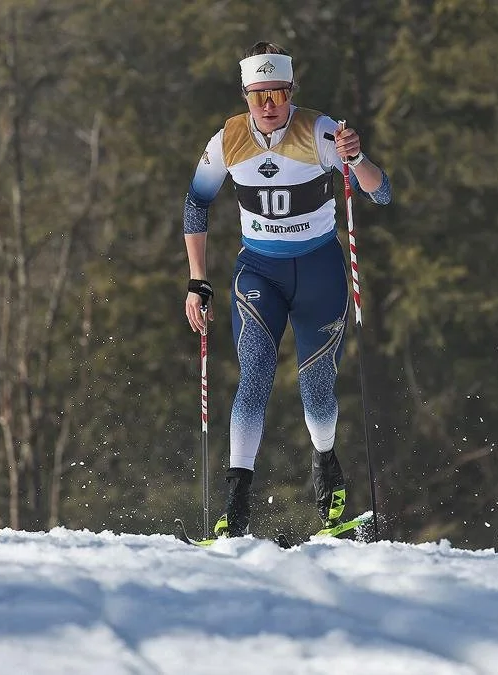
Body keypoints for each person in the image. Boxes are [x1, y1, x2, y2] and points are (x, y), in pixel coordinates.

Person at [180, 41, 392, 538]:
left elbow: (379, 191)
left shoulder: (321, 131)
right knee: (254, 375)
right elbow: (195, 204)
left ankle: (328, 487)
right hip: (259, 273)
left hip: (319, 273)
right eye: (258, 96)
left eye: (277, 94)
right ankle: (236, 511)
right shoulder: (228, 140)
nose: (268, 106)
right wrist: (197, 280)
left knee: (317, 388)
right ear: (245, 95)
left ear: (291, 91)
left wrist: (356, 158)